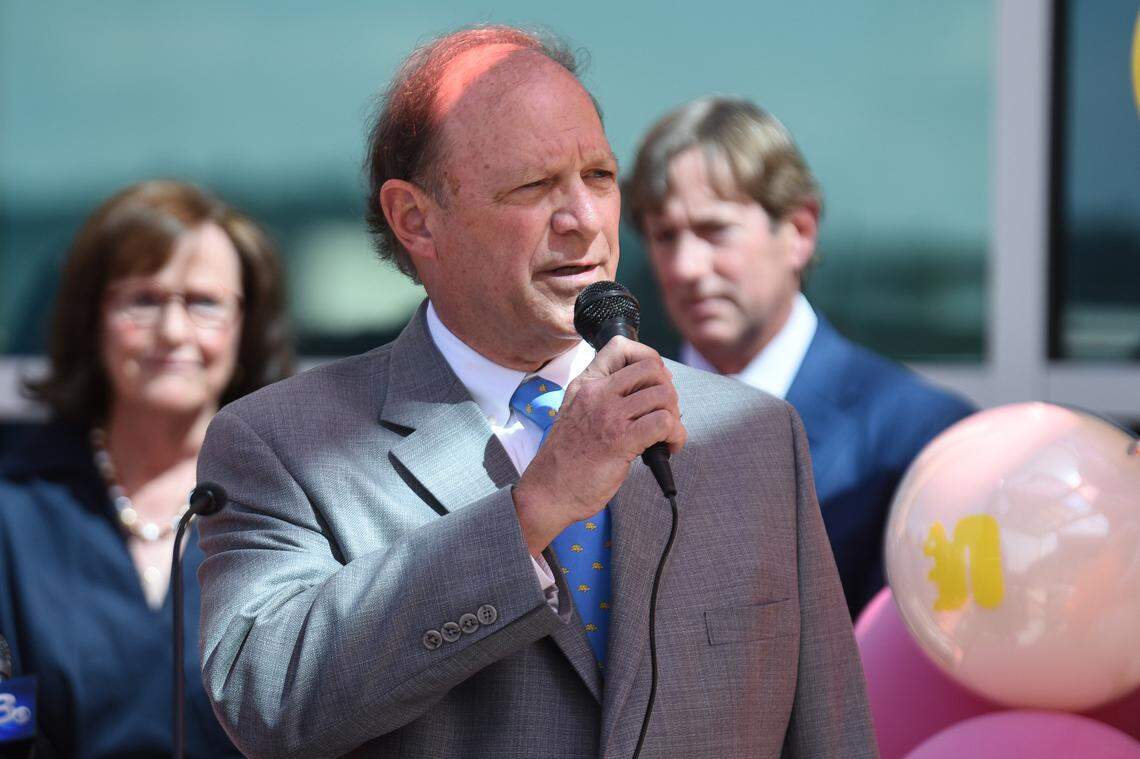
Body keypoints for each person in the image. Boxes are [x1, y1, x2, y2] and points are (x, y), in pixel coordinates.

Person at [195, 27, 876, 757]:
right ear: (416, 220)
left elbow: (829, 735)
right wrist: (533, 508)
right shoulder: (285, 444)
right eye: (534, 186)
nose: (583, 220)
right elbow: (268, 699)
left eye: (600, 177)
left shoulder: (753, 434)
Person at [625, 96, 976, 619]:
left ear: (799, 232)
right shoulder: (614, 422)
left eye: (714, 230)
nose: (686, 266)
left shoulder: (921, 436)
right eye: (665, 236)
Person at [0, 179, 293, 757]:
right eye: (143, 300)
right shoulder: (14, 510)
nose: (174, 332)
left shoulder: (301, 499)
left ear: (246, 325)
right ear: (91, 318)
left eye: (204, 303)